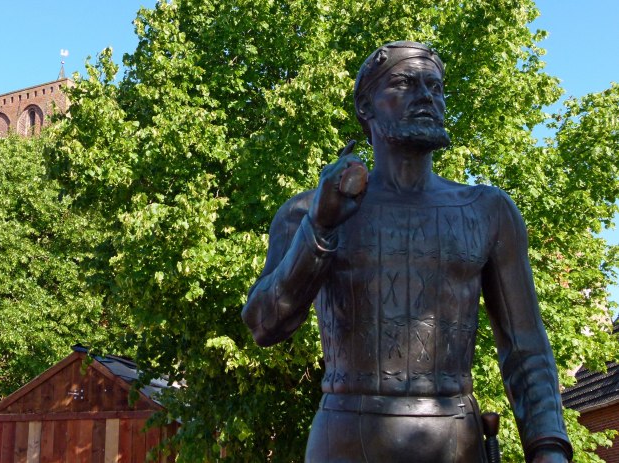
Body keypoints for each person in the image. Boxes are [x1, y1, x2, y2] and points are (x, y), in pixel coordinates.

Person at [241, 41, 572, 463]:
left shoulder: (488, 211)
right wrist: (320, 229)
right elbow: (264, 325)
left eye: (435, 87)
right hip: (344, 442)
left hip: (455, 443)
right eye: (405, 83)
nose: (426, 96)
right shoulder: (309, 211)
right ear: (366, 106)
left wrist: (547, 447)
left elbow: (526, 347)